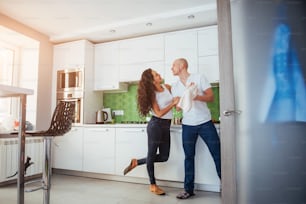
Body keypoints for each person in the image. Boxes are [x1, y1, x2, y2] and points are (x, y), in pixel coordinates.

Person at [123, 68, 179, 195]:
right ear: (152, 81)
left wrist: (180, 100)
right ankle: (153, 185)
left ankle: (137, 162)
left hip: (166, 125)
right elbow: (158, 113)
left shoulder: (167, 87)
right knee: (152, 154)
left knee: (164, 157)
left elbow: (176, 100)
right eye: (156, 74)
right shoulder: (152, 93)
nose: (159, 74)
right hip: (156, 125)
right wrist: (173, 104)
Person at [171, 58, 221, 199]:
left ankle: (228, 185)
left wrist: (195, 95)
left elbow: (211, 97)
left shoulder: (199, 78)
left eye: (173, 65)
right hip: (187, 125)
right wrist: (176, 103)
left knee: (217, 154)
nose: (171, 68)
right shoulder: (175, 86)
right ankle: (188, 189)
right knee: (188, 157)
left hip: (205, 122)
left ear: (182, 66)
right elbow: (178, 107)